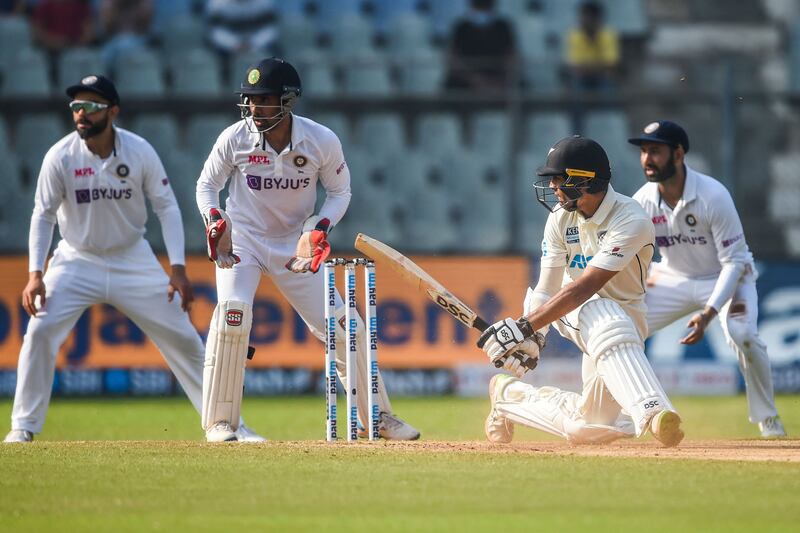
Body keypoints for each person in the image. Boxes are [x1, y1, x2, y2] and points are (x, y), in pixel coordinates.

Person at [3, 75, 263, 443]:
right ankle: (23, 427)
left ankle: (227, 426)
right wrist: (35, 273)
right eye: (76, 106)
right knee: (40, 331)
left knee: (184, 337)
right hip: (76, 260)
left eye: (90, 107)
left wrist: (177, 270)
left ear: (112, 112)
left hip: (132, 258)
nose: (81, 114)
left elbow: (167, 208)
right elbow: (42, 216)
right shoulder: (59, 156)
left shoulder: (139, 151)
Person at [196, 57, 420, 442]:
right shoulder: (234, 137)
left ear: (288, 101)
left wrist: (318, 228)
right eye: (249, 100)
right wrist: (216, 220)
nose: (253, 108)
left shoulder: (320, 140)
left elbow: (339, 192)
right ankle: (221, 423)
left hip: (296, 247)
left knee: (347, 325)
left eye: (263, 100)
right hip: (245, 241)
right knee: (233, 316)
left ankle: (379, 418)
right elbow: (206, 186)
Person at [478, 135, 684, 447]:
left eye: (559, 180)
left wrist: (524, 327)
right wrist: (534, 333)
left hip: (626, 319)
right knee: (604, 312)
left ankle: (508, 398)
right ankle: (653, 412)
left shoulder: (631, 218)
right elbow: (547, 286)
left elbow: (589, 284)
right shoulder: (559, 219)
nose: (553, 188)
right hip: (575, 312)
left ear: (583, 181)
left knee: (588, 429)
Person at [629, 120, 786, 438]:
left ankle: (768, 419)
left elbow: (734, 261)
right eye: (644, 152)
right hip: (674, 277)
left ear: (678, 153)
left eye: (655, 151)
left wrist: (710, 312)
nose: (647, 159)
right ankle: (629, 412)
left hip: (728, 277)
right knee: (620, 327)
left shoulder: (713, 195)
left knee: (743, 334)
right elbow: (632, 254)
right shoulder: (642, 201)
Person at [444, 0, 518, 92]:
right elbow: (453, 59)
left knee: (519, 86)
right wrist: (476, 80)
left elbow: (511, 57)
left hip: (500, 82)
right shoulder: (461, 28)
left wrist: (499, 82)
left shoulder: (503, 27)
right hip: (466, 81)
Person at [564, 1, 619, 93]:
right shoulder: (573, 35)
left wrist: (585, 66)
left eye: (588, 16)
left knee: (609, 89)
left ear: (597, 18)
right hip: (581, 79)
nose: (584, 20)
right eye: (582, 16)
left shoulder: (609, 35)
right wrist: (598, 66)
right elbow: (574, 67)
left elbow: (611, 65)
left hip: (602, 78)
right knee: (575, 88)